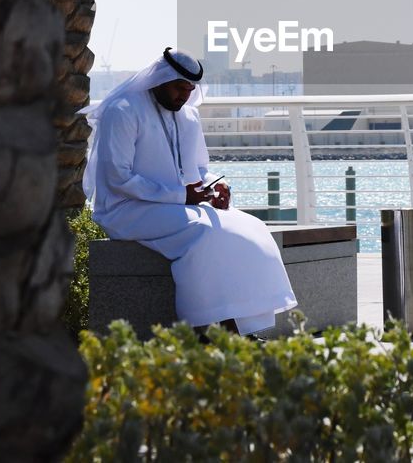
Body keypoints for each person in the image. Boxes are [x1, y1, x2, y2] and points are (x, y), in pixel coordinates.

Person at [82, 47, 297, 336]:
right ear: (160, 79)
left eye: (189, 89)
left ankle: (240, 327)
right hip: (125, 210)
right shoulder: (123, 110)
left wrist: (217, 185)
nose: (184, 96)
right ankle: (206, 329)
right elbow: (118, 178)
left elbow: (198, 169)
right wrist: (182, 196)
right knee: (204, 232)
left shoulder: (188, 116)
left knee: (251, 227)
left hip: (176, 207)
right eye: (179, 88)